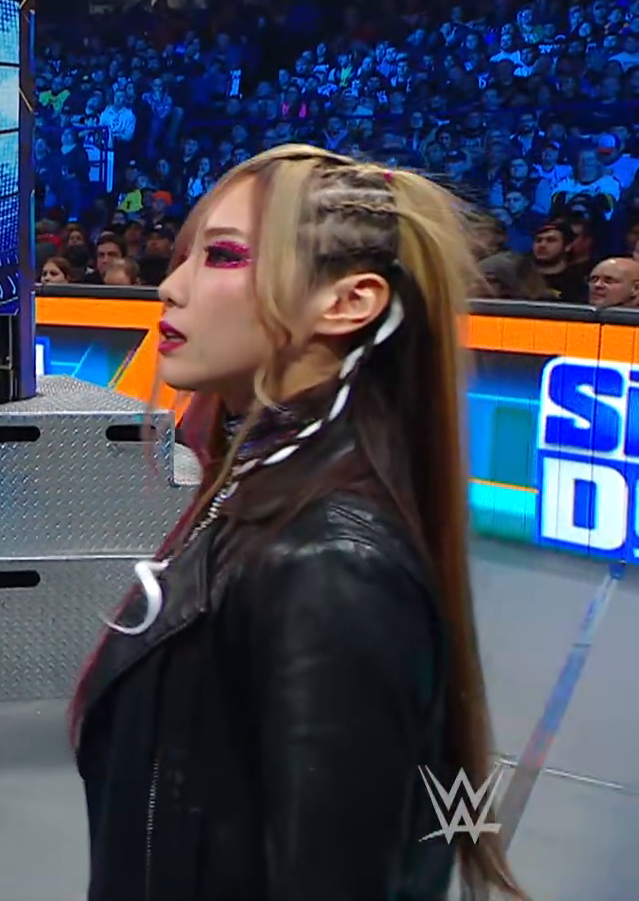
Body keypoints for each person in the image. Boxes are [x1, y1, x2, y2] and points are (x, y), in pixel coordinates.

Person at [72, 145, 524, 900]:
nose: (171, 288)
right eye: (183, 256)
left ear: (348, 302)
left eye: (222, 256)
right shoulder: (259, 483)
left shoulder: (332, 564)